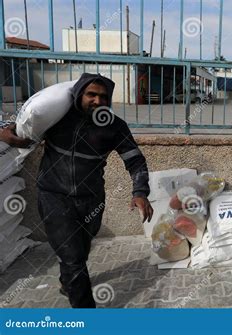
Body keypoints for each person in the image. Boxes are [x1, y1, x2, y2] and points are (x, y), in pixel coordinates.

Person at [0, 73, 154, 308]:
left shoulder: (115, 127)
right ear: (80, 93)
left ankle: (67, 282)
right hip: (53, 195)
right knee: (73, 258)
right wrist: (8, 135)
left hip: (92, 200)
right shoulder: (58, 118)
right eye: (91, 94)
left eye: (103, 96)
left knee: (79, 250)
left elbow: (135, 161)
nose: (97, 101)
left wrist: (140, 192)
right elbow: (27, 130)